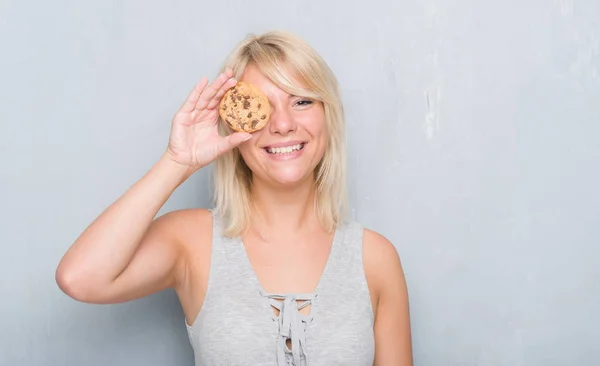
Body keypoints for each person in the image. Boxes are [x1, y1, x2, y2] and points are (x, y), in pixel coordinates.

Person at [56, 30, 413, 366]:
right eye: (264, 106)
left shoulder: (374, 258)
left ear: (328, 114)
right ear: (234, 123)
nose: (283, 124)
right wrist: (178, 162)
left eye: (301, 101)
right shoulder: (192, 241)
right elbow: (81, 278)